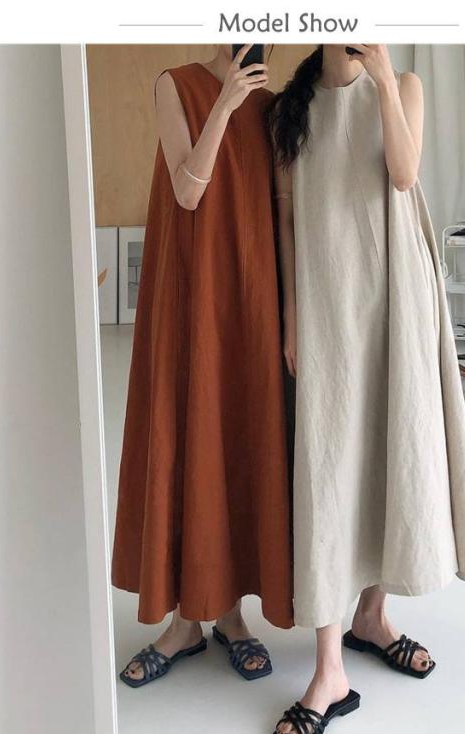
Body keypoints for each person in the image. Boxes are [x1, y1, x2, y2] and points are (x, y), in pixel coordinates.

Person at [267, 44, 465, 734]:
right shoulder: (291, 108)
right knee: (328, 469)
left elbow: (403, 171)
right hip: (328, 303)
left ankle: (372, 615)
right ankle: (329, 668)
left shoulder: (404, 86)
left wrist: (385, 81)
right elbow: (285, 221)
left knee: (392, 446)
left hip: (397, 296)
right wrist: (291, 316)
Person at [111, 45, 294, 688]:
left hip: (249, 296)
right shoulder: (176, 84)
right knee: (186, 436)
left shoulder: (275, 108)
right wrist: (225, 105)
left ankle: (232, 615)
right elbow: (188, 190)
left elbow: (282, 211)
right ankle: (183, 622)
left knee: (238, 442)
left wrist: (288, 311)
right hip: (190, 295)